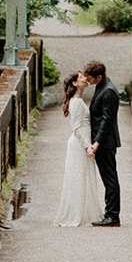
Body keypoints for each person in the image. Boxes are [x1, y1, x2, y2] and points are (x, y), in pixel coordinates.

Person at [54, 71, 106, 226]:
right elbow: (76, 127)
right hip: (79, 144)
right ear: (75, 83)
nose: (86, 78)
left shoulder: (77, 100)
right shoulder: (75, 102)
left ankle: (84, 212)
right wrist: (87, 146)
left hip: (81, 142)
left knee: (83, 176)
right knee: (78, 176)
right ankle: (76, 214)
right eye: (82, 77)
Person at [82, 60, 121, 226]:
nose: (88, 81)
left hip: (105, 142)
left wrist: (96, 143)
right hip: (103, 141)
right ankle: (110, 214)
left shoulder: (109, 91)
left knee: (110, 179)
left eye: (90, 78)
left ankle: (112, 216)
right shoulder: (102, 86)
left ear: (99, 76)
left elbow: (107, 121)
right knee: (108, 178)